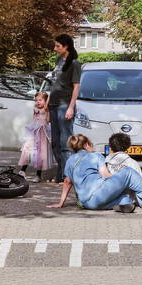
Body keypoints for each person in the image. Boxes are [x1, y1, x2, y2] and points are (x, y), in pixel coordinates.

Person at [47, 134, 142, 213]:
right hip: (99, 194)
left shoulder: (70, 160)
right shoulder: (95, 156)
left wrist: (60, 203)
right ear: (87, 145)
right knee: (129, 173)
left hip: (87, 203)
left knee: (124, 198)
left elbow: (67, 182)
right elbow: (105, 175)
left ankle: (123, 204)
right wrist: (120, 176)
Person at [48, 33, 82, 183]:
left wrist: (71, 108)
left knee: (65, 142)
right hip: (54, 105)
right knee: (55, 142)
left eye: (58, 46)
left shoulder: (75, 64)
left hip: (64, 105)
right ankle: (60, 174)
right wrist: (48, 104)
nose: (55, 48)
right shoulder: (58, 60)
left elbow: (76, 87)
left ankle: (68, 176)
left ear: (66, 46)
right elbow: (54, 84)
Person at [18, 92, 52, 182]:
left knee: (40, 154)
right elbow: (34, 120)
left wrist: (47, 108)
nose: (37, 102)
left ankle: (38, 175)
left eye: (40, 100)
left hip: (42, 134)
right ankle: (22, 171)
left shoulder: (46, 110)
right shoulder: (35, 109)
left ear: (45, 101)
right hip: (33, 134)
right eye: (36, 100)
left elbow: (48, 120)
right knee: (27, 151)